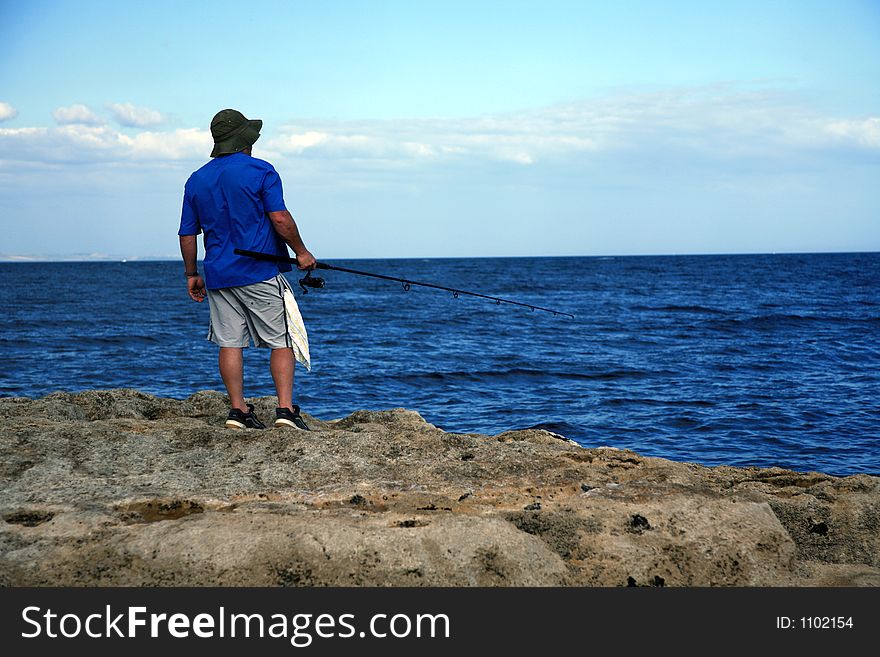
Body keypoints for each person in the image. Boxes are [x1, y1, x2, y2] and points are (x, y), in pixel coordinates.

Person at [178, 108, 316, 430]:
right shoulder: (262, 171)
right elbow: (279, 218)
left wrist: (191, 274)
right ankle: (285, 411)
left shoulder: (197, 180)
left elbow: (187, 233)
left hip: (218, 274)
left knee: (230, 343)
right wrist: (302, 252)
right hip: (260, 271)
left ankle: (238, 412)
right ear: (245, 140)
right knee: (281, 339)